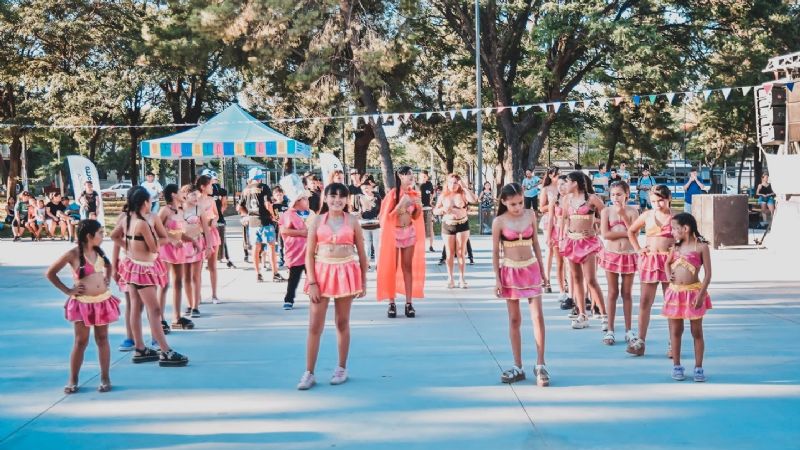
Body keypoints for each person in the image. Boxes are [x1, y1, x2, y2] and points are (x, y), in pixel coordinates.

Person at [297, 183, 367, 390]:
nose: (337, 200)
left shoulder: (352, 221)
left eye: (341, 197)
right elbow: (309, 254)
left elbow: (362, 253)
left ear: (347, 200)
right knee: (314, 325)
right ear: (325, 198)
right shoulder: (317, 221)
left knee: (342, 322)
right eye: (332, 196)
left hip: (346, 272)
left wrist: (363, 281)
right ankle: (309, 372)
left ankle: (341, 367)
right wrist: (312, 282)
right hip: (321, 273)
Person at [111, 187, 188, 367]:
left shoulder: (127, 219)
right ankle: (165, 350)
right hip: (144, 269)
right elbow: (154, 247)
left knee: (135, 307)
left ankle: (139, 347)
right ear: (145, 203)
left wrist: (128, 247)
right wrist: (163, 240)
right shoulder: (143, 224)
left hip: (131, 266)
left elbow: (114, 236)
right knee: (154, 310)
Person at [45, 219, 120, 394]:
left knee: (102, 339)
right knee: (81, 341)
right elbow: (51, 273)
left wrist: (107, 279)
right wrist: (68, 290)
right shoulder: (73, 254)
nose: (103, 235)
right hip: (83, 303)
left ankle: (105, 377)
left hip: (101, 301)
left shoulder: (99, 252)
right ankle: (73, 378)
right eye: (100, 233)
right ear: (89, 235)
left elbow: (109, 266)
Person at [492, 183, 549, 387]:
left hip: (530, 269)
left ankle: (540, 364)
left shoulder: (530, 215)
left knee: (537, 317)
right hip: (510, 272)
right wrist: (497, 279)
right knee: (514, 319)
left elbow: (536, 244)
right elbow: (495, 253)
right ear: (504, 202)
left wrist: (543, 270)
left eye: (520, 202)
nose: (517, 207)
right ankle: (518, 365)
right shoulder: (499, 221)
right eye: (513, 204)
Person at [626, 185, 674, 357]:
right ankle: (641, 341)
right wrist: (638, 248)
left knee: (671, 302)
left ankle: (673, 342)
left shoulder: (676, 218)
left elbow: (687, 238)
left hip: (669, 262)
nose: (657, 204)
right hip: (650, 260)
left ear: (669, 198)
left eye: (661, 200)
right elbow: (631, 231)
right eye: (653, 201)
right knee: (645, 301)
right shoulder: (647, 215)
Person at [663, 213, 711, 382]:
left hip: (693, 293)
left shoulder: (701, 247)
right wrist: (669, 277)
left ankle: (698, 367)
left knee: (696, 331)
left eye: (675, 228)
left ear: (686, 228)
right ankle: (677, 365)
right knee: (676, 331)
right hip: (675, 293)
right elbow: (666, 263)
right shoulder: (675, 247)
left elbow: (708, 275)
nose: (672, 232)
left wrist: (701, 294)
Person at [377, 166, 426, 318]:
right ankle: (391, 303)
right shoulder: (393, 194)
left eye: (412, 174)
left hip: (409, 232)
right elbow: (386, 217)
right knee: (392, 267)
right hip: (394, 233)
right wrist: (400, 205)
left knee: (407, 267)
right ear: (400, 176)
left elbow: (416, 217)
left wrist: (418, 206)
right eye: (408, 174)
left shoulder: (414, 193)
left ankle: (409, 303)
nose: (411, 177)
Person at [560, 171, 606, 329]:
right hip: (572, 241)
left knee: (591, 280)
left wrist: (597, 230)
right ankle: (582, 315)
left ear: (576, 183)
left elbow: (606, 213)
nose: (565, 185)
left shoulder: (591, 199)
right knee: (576, 279)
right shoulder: (566, 199)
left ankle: (605, 316)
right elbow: (564, 219)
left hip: (588, 242)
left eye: (567, 181)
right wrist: (562, 237)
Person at [599, 181, 639, 345]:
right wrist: (625, 233)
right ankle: (610, 329)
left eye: (619, 194)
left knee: (627, 293)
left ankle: (629, 330)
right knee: (612, 292)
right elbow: (606, 234)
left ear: (627, 195)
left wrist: (623, 215)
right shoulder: (606, 211)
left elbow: (634, 233)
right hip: (612, 255)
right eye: (613, 194)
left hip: (629, 255)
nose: (615, 197)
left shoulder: (633, 211)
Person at [157, 184, 194, 331]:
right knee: (164, 283)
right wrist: (171, 240)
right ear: (173, 195)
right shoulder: (164, 210)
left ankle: (177, 317)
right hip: (166, 248)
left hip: (179, 249)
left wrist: (193, 241)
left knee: (178, 282)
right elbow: (156, 229)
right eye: (179, 191)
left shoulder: (180, 210)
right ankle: (160, 319)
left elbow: (179, 232)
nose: (182, 193)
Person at [239, 169, 284, 282]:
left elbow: (239, 207)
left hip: (253, 223)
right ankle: (275, 273)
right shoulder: (263, 187)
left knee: (256, 247)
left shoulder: (245, 190)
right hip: (265, 221)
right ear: (260, 177)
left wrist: (247, 214)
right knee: (271, 246)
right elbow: (268, 203)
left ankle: (258, 274)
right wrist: (273, 216)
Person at [434, 173, 478, 288]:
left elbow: (474, 200)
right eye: (450, 182)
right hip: (448, 225)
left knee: (461, 253)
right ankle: (450, 278)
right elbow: (435, 211)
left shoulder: (463, 193)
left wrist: (464, 187)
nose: (452, 185)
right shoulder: (443, 195)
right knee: (449, 253)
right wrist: (443, 209)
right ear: (446, 183)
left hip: (462, 224)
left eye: (455, 183)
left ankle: (462, 279)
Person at [181, 184, 211, 318]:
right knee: (185, 276)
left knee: (195, 275)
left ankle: (195, 306)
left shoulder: (200, 209)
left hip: (197, 243)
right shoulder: (179, 210)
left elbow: (206, 229)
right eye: (192, 194)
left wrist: (209, 246)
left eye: (196, 194)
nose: (195, 197)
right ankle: (189, 303)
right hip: (183, 244)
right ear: (184, 195)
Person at [281, 191, 311, 310]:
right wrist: (301, 233)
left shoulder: (311, 213)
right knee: (294, 277)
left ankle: (313, 296)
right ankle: (289, 299)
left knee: (313, 276)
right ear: (297, 201)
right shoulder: (289, 214)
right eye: (304, 199)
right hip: (296, 252)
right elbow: (284, 230)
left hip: (310, 251)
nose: (307, 201)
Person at [196, 174, 223, 303]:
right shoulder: (195, 200)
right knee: (198, 266)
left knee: (212, 265)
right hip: (199, 234)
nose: (212, 187)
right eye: (210, 185)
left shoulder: (211, 200)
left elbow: (217, 215)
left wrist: (214, 220)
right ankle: (198, 294)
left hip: (212, 233)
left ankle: (214, 294)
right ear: (203, 187)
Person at [550, 175, 572, 309]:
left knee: (569, 263)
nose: (561, 187)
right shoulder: (554, 200)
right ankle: (561, 290)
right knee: (559, 263)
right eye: (558, 185)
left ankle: (571, 290)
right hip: (557, 232)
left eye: (563, 184)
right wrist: (548, 237)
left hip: (569, 233)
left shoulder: (571, 199)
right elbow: (551, 219)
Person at [538, 167, 560, 293]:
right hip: (548, 220)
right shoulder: (546, 189)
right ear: (551, 175)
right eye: (557, 175)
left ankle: (564, 280)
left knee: (561, 251)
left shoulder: (563, 188)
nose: (559, 177)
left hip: (561, 219)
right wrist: (552, 203)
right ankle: (546, 279)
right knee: (549, 250)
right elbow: (541, 208)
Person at [357, 175, 382, 271]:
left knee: (376, 244)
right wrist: (359, 218)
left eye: (367, 188)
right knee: (367, 244)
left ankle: (377, 264)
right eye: (363, 189)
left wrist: (379, 216)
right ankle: (366, 264)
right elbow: (358, 210)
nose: (365, 190)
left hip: (376, 222)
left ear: (371, 187)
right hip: (365, 223)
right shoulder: (360, 198)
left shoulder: (377, 196)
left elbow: (381, 208)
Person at [419, 170, 435, 251]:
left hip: (428, 208)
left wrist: (430, 201)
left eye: (424, 176)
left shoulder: (429, 184)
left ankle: (431, 245)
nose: (423, 178)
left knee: (430, 227)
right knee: (420, 228)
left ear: (427, 177)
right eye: (421, 176)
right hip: (419, 209)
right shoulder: (417, 185)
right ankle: (420, 246)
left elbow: (433, 193)